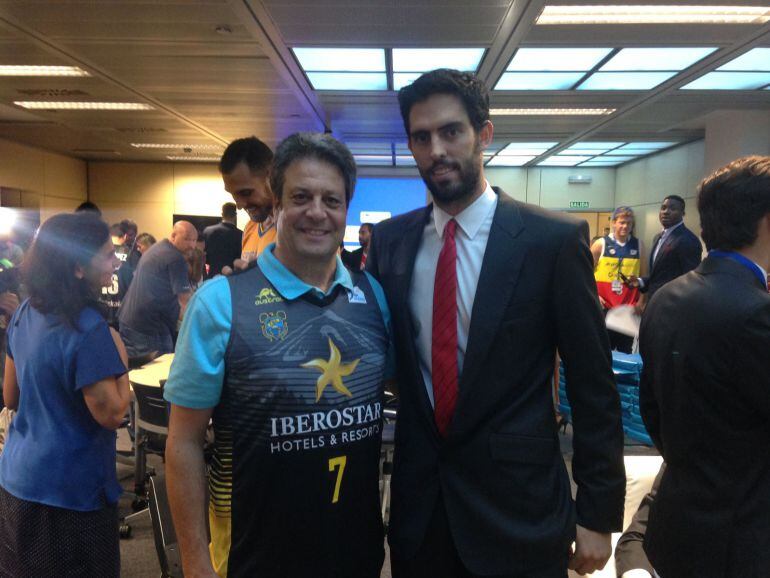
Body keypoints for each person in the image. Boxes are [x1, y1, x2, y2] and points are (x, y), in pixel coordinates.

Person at [367, 69, 625, 578]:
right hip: (423, 509)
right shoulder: (392, 244)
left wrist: (597, 513)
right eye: (422, 137)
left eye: (451, 131)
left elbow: (594, 385)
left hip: (519, 513)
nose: (436, 149)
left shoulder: (549, 241)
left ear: (484, 134)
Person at [165, 132, 392, 578]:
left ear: (346, 208)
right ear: (277, 202)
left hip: (357, 554)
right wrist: (194, 562)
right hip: (256, 555)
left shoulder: (372, 296)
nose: (316, 212)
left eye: (332, 199)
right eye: (301, 196)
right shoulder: (222, 302)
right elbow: (184, 442)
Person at [638, 155, 770, 578]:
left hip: (676, 526)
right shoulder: (756, 312)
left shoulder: (666, 299)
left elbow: (652, 412)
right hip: (743, 539)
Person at [0, 212, 129, 577]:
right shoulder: (89, 329)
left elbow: (10, 396)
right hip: (68, 497)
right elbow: (113, 413)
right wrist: (117, 348)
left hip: (16, 482)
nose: (115, 261)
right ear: (77, 268)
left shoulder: (26, 310)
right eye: (106, 254)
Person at [118, 220, 196, 357]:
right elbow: (185, 303)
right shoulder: (175, 258)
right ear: (173, 236)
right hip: (148, 328)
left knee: (136, 371)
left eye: (194, 240)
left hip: (129, 321)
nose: (192, 245)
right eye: (187, 239)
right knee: (157, 372)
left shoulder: (157, 247)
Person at [628, 195, 701, 307]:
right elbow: (659, 275)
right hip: (654, 302)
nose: (666, 212)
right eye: (663, 208)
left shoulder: (688, 240)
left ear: (683, 213)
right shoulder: (657, 237)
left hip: (672, 306)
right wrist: (640, 281)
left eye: (672, 208)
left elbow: (690, 281)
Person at [591, 206, 642, 352]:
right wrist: (594, 294)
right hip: (604, 308)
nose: (625, 226)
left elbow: (644, 277)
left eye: (629, 223)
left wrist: (641, 302)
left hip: (627, 310)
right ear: (614, 222)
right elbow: (584, 272)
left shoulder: (639, 245)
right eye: (622, 222)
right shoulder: (600, 244)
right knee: (602, 351)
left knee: (625, 352)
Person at [219, 136, 275, 263]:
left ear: (272, 177)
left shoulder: (297, 230)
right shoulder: (250, 227)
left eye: (246, 192)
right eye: (233, 194)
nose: (239, 205)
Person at [202, 202, 243, 278]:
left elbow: (204, 257)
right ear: (235, 216)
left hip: (212, 277)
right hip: (232, 278)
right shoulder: (241, 235)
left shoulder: (208, 231)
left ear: (222, 214)